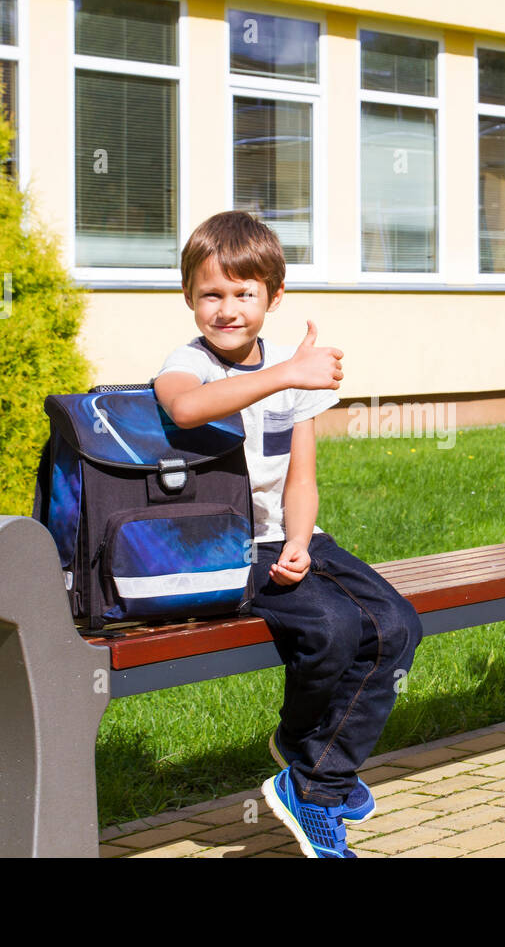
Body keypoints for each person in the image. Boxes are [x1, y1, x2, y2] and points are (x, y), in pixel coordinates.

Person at [152, 210, 423, 859]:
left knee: (396, 624)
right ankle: (319, 784)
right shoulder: (186, 363)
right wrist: (288, 374)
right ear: (189, 296)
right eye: (211, 294)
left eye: (244, 293)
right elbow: (185, 406)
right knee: (330, 631)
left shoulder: (287, 369)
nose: (226, 308)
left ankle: (311, 770)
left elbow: (302, 476)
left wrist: (301, 538)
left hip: (289, 535)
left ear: (273, 298)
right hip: (223, 548)